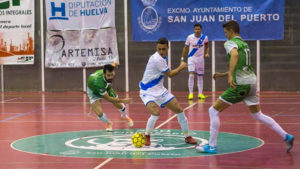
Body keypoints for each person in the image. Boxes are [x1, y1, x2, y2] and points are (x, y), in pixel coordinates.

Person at [196, 20, 294, 153]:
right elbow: (241, 66)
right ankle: (286, 136)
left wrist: (230, 76)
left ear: (231, 31)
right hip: (252, 83)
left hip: (241, 85)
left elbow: (234, 56)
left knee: (213, 111)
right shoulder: (245, 44)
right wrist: (225, 74)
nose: (225, 35)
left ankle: (212, 146)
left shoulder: (230, 43)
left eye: (226, 32)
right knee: (258, 114)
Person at [140, 37, 197, 146]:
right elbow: (170, 74)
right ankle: (147, 136)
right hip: (147, 91)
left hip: (160, 90)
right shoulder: (157, 59)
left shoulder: (163, 57)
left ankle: (187, 136)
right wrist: (181, 67)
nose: (161, 52)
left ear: (168, 48)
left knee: (179, 110)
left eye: (163, 49)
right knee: (155, 113)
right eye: (159, 49)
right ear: (157, 48)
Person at [87, 63, 134, 131]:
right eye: (108, 75)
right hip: (94, 91)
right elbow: (109, 99)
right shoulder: (99, 83)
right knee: (99, 114)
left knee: (119, 105)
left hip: (105, 87)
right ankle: (108, 123)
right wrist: (124, 100)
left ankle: (125, 116)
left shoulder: (108, 70)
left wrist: (115, 64)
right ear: (104, 74)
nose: (110, 77)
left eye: (112, 75)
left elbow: (113, 65)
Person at [181, 23, 210, 100]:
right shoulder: (189, 37)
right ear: (194, 30)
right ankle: (190, 94)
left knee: (200, 76)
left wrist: (207, 53)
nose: (197, 30)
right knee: (191, 75)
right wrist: (182, 58)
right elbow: (185, 48)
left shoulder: (205, 37)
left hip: (200, 59)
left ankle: (200, 94)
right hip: (191, 58)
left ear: (201, 30)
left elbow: (207, 47)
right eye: (196, 29)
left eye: (198, 29)